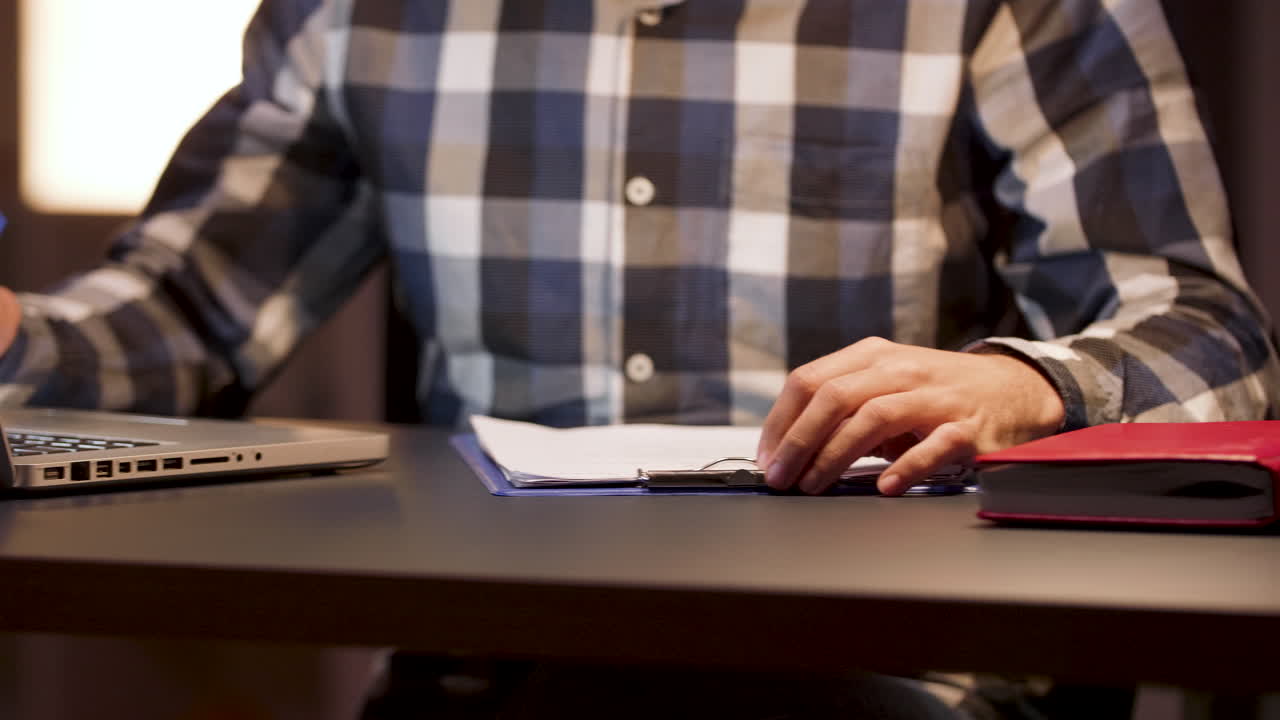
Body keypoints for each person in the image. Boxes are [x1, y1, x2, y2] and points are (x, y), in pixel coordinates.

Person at [0, 0, 1276, 717]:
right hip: (489, 680)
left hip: (913, 683)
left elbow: (1211, 337)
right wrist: (15, 338)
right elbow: (176, 318)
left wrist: (1027, 384)